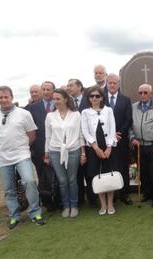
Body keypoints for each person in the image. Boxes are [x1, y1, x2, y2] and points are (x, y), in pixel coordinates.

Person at [0, 86, 45, 229]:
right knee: (9, 189)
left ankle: (35, 212)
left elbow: (32, 135)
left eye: (6, 96)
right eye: (0, 97)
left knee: (30, 181)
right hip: (2, 157)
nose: (3, 99)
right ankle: (14, 216)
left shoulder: (24, 113)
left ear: (11, 97)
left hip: (21, 154)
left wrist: (22, 146)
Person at [44, 89, 86, 218]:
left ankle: (74, 205)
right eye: (54, 99)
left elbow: (80, 135)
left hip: (73, 150)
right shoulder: (50, 116)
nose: (55, 101)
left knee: (72, 179)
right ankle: (66, 205)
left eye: (58, 99)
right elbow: (48, 136)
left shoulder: (76, 114)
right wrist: (46, 154)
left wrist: (83, 153)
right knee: (62, 180)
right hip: (55, 151)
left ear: (66, 99)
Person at [129, 84, 153, 208]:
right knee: (143, 172)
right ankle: (147, 193)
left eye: (145, 93)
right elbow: (130, 126)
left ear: (151, 93)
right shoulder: (134, 107)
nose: (143, 95)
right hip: (139, 145)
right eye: (140, 93)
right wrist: (132, 138)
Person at [81, 86, 117, 215]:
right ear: (88, 98)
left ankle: (110, 203)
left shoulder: (108, 110)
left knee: (109, 174)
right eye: (92, 96)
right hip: (93, 148)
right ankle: (102, 204)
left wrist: (109, 147)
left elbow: (113, 128)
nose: (95, 98)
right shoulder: (85, 112)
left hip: (108, 147)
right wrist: (95, 148)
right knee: (98, 176)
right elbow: (85, 131)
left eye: (97, 96)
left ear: (102, 97)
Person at [25, 81, 56, 209]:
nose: (46, 92)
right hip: (38, 149)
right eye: (44, 89)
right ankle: (47, 202)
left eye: (49, 89)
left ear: (54, 90)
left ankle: (59, 200)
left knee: (58, 176)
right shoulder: (31, 108)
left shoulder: (60, 104)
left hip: (58, 147)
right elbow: (28, 129)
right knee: (43, 177)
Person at [66, 78, 96, 207]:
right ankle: (79, 200)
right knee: (76, 173)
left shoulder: (89, 99)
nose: (69, 87)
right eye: (68, 85)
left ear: (79, 87)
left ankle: (93, 199)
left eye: (71, 85)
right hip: (73, 142)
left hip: (89, 141)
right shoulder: (67, 102)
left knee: (90, 173)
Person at [105, 73, 133, 205]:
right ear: (106, 83)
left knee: (123, 168)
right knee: (109, 167)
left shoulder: (126, 100)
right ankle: (112, 195)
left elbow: (128, 119)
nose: (112, 85)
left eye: (114, 83)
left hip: (121, 140)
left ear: (118, 84)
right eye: (110, 82)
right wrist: (110, 134)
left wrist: (119, 133)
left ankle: (124, 194)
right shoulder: (101, 98)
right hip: (106, 142)